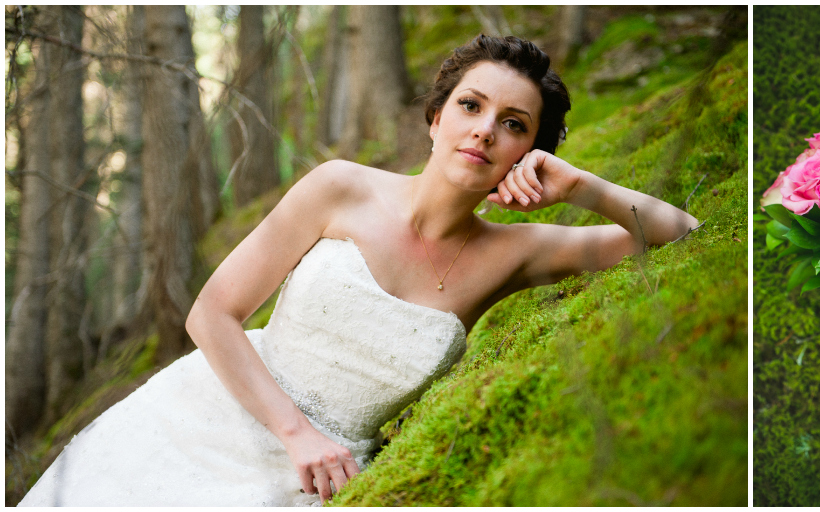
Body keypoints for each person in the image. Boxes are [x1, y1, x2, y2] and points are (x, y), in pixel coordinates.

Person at [19, 34, 698, 507]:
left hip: (321, 480)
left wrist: (582, 186)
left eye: (515, 124)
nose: (486, 129)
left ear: (529, 152)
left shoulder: (515, 253)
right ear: (435, 119)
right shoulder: (339, 188)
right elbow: (211, 314)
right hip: (206, 419)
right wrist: (295, 434)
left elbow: (679, 233)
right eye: (471, 105)